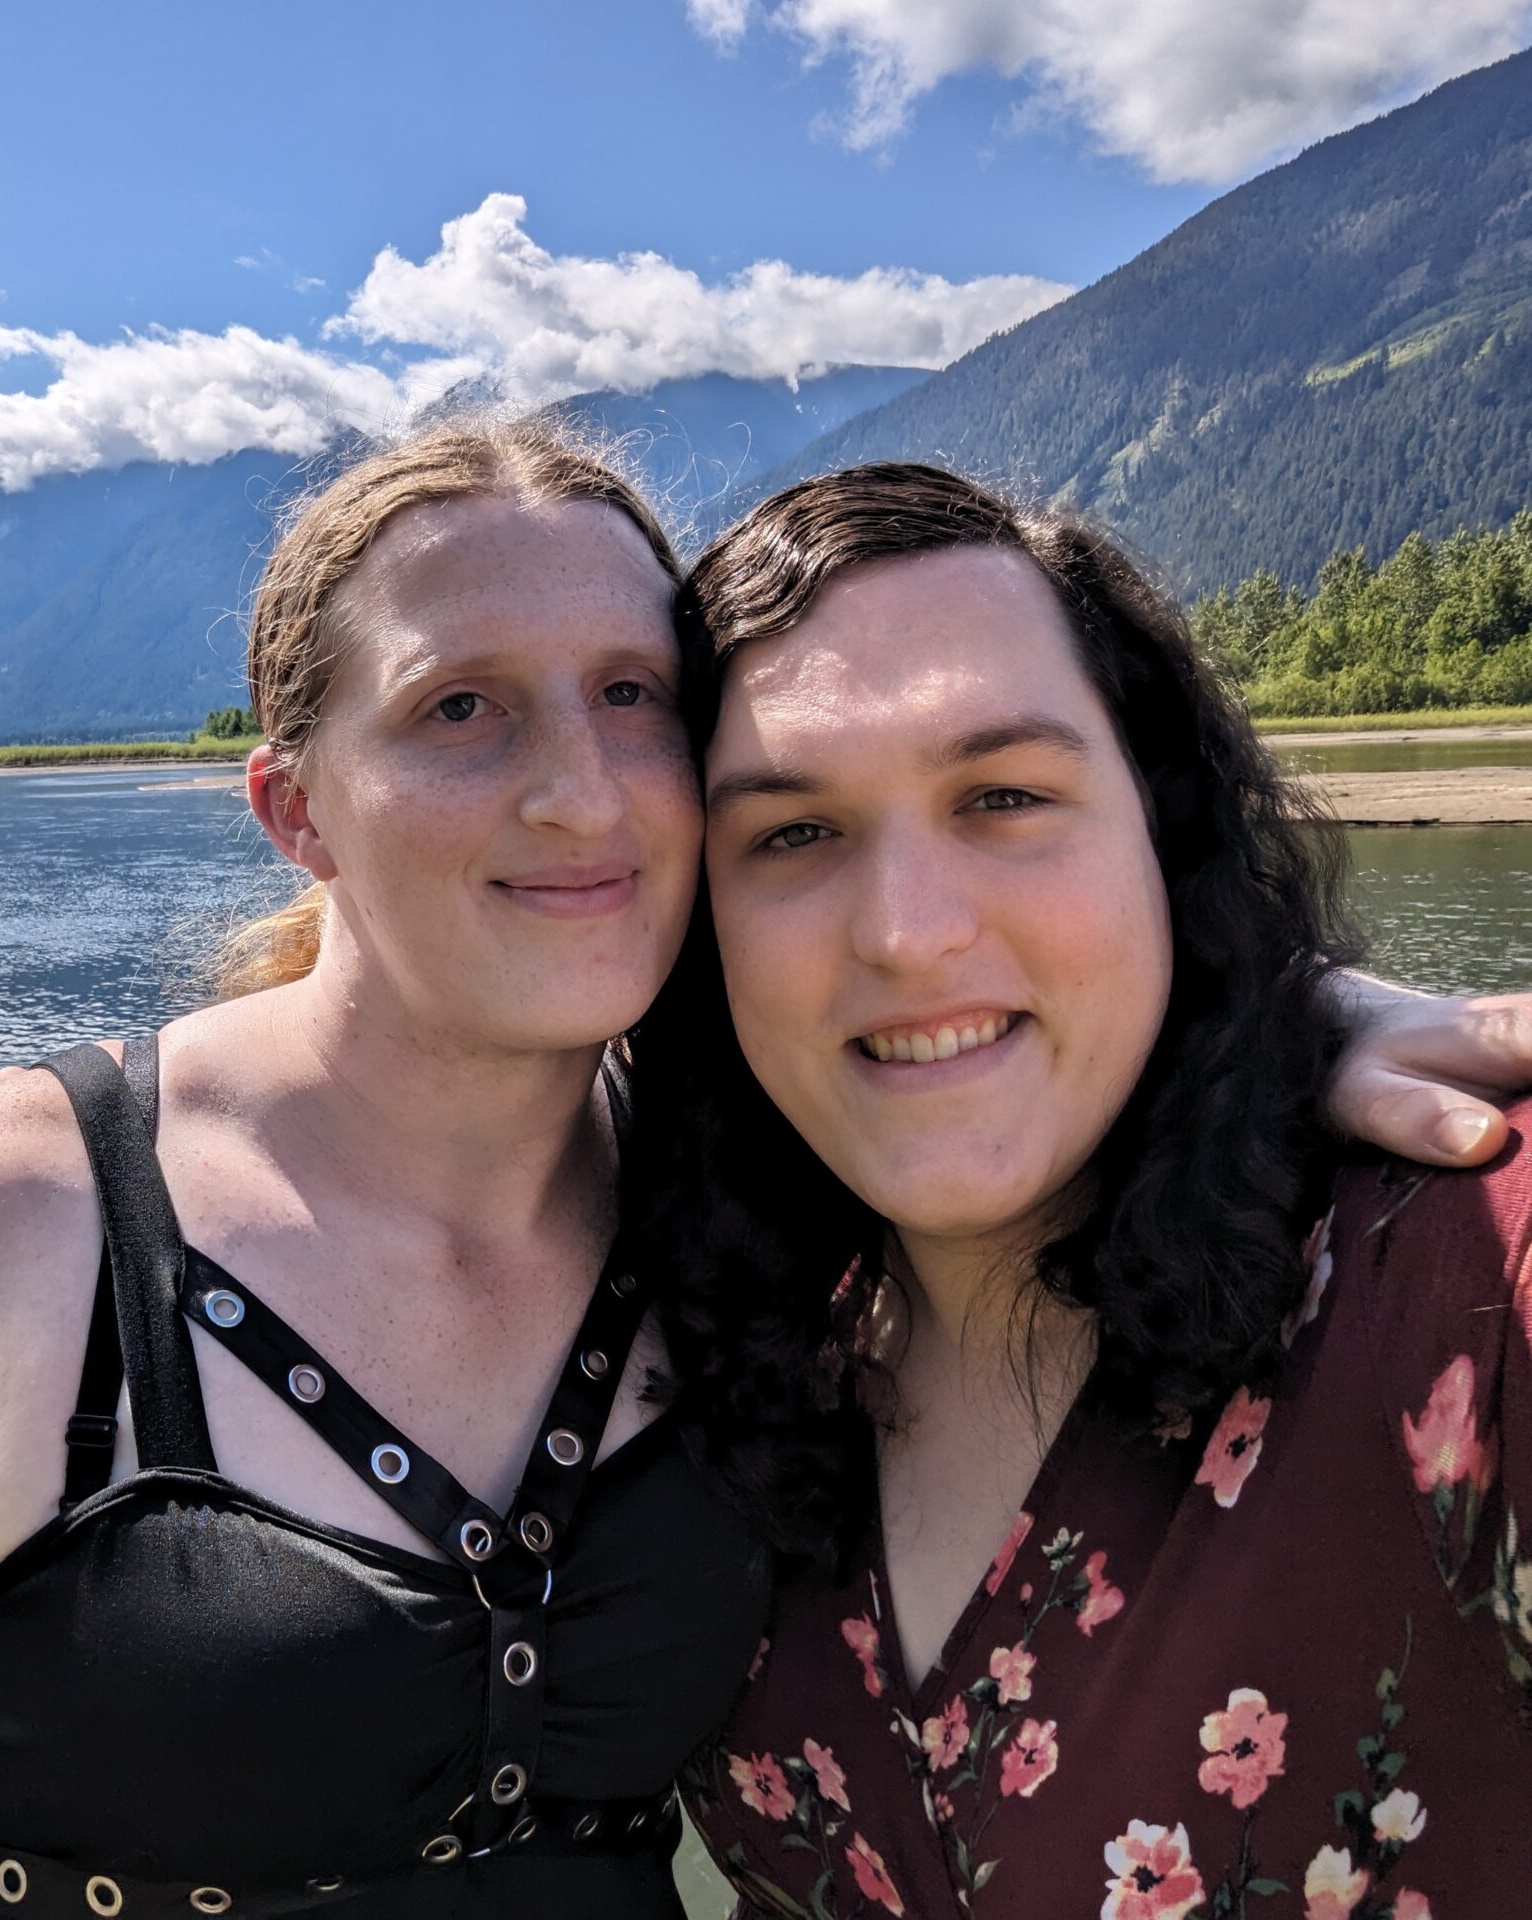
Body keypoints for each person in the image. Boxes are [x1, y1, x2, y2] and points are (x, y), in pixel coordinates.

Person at [0, 419, 1532, 1920]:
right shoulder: (12, 1226)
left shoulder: (754, 1220)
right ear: (294, 808)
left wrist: (1276, 1011)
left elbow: (1016, 1015)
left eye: (635, 695)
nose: (582, 789)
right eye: (461, 707)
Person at [657, 463, 1532, 1918]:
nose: (906, 933)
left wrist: (1294, 1003)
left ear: (1164, 838)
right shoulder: (700, 1346)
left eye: (1005, 795)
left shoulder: (1463, 1274)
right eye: (792, 834)